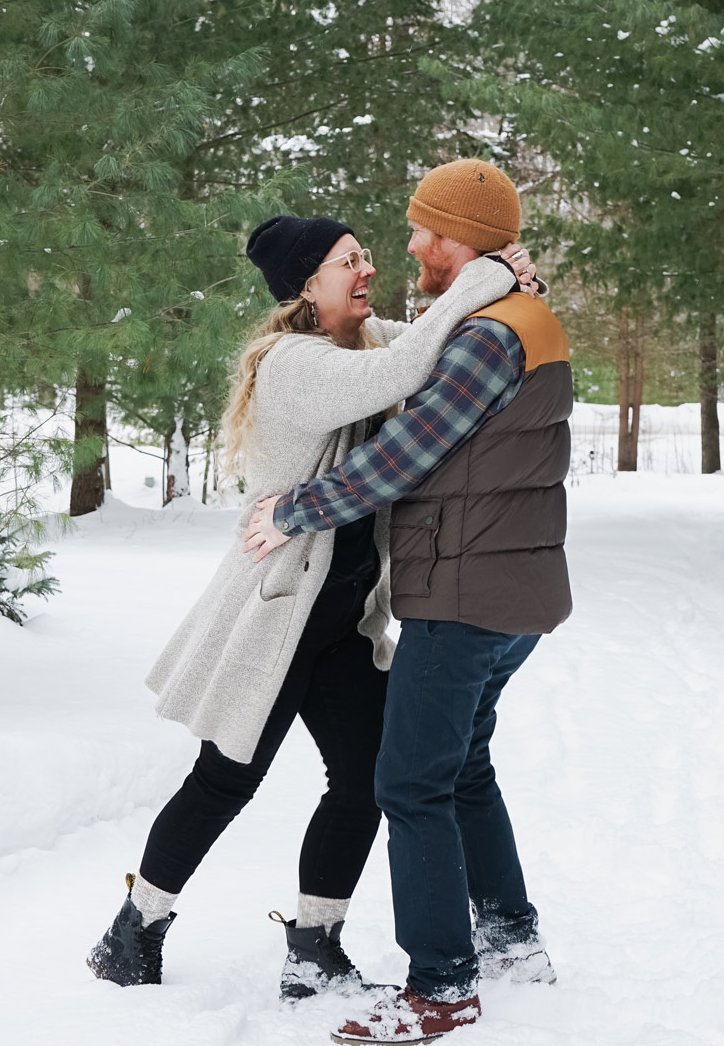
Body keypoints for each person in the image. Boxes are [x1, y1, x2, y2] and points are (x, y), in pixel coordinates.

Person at [86, 211, 537, 1000]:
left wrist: (511, 283)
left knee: (366, 779)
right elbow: (402, 372)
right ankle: (135, 930)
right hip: (278, 616)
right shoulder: (293, 361)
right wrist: (489, 273)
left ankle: (314, 944)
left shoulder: (359, 341)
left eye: (364, 256)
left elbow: (439, 335)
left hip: (342, 621)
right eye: (347, 261)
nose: (366, 270)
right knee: (225, 782)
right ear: (306, 283)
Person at [243, 160, 572, 1044]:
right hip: (516, 591)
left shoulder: (484, 337)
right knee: (463, 768)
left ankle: (441, 988)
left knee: (409, 783)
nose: (412, 246)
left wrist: (293, 511)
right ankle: (510, 938)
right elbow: (410, 350)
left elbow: (398, 460)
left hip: (464, 589)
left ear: (461, 239)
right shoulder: (515, 315)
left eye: (427, 231)